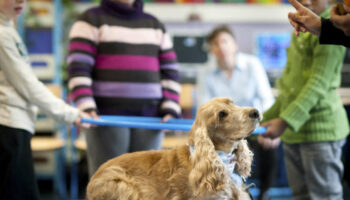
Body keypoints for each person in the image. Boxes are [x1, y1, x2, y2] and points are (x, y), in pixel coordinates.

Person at [67, 0, 181, 177]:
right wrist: (86, 106)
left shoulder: (154, 25)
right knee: (108, 183)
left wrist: (171, 108)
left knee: (147, 185)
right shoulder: (90, 19)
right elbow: (78, 68)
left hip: (151, 120)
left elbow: (170, 71)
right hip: (105, 119)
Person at [0, 0, 90, 199]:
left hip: (14, 125)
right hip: (8, 127)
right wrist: (70, 114)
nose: (20, 1)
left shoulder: (8, 29)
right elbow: (29, 85)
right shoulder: (3, 34)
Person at [261, 0, 349, 198]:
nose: (306, 1)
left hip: (320, 134)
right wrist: (263, 120)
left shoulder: (335, 26)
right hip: (294, 134)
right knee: (300, 195)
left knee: (324, 195)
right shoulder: (303, 26)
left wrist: (283, 121)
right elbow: (289, 85)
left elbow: (318, 83)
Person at [196, 25, 279, 200]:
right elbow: (204, 108)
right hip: (225, 131)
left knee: (269, 145)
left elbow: (266, 99)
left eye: (225, 41)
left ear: (235, 45)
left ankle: (265, 192)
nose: (221, 47)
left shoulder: (252, 64)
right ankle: (234, 191)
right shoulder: (205, 72)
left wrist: (263, 124)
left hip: (255, 127)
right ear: (211, 49)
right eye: (216, 43)